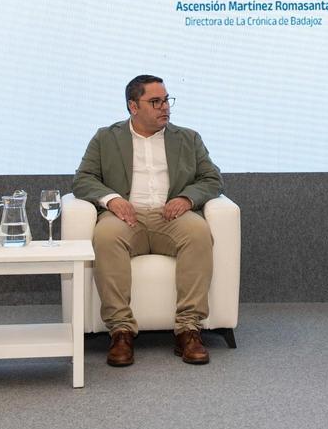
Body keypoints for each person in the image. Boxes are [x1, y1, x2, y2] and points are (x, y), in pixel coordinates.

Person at [72, 75, 222, 367]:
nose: (164, 107)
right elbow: (83, 179)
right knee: (105, 237)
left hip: (171, 216)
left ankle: (188, 329)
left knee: (199, 232)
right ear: (133, 106)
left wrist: (187, 199)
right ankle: (121, 331)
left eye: (166, 100)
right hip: (127, 218)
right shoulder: (106, 137)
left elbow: (212, 178)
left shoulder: (188, 138)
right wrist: (112, 199)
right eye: (155, 102)